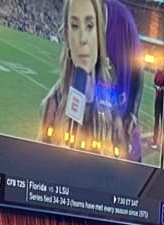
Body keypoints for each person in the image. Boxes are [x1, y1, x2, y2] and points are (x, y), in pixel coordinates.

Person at [39, 0, 135, 156]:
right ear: (67, 35)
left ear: (99, 35)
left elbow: (122, 169)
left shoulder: (112, 104)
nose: (82, 38)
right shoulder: (54, 102)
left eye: (90, 26)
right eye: (75, 26)